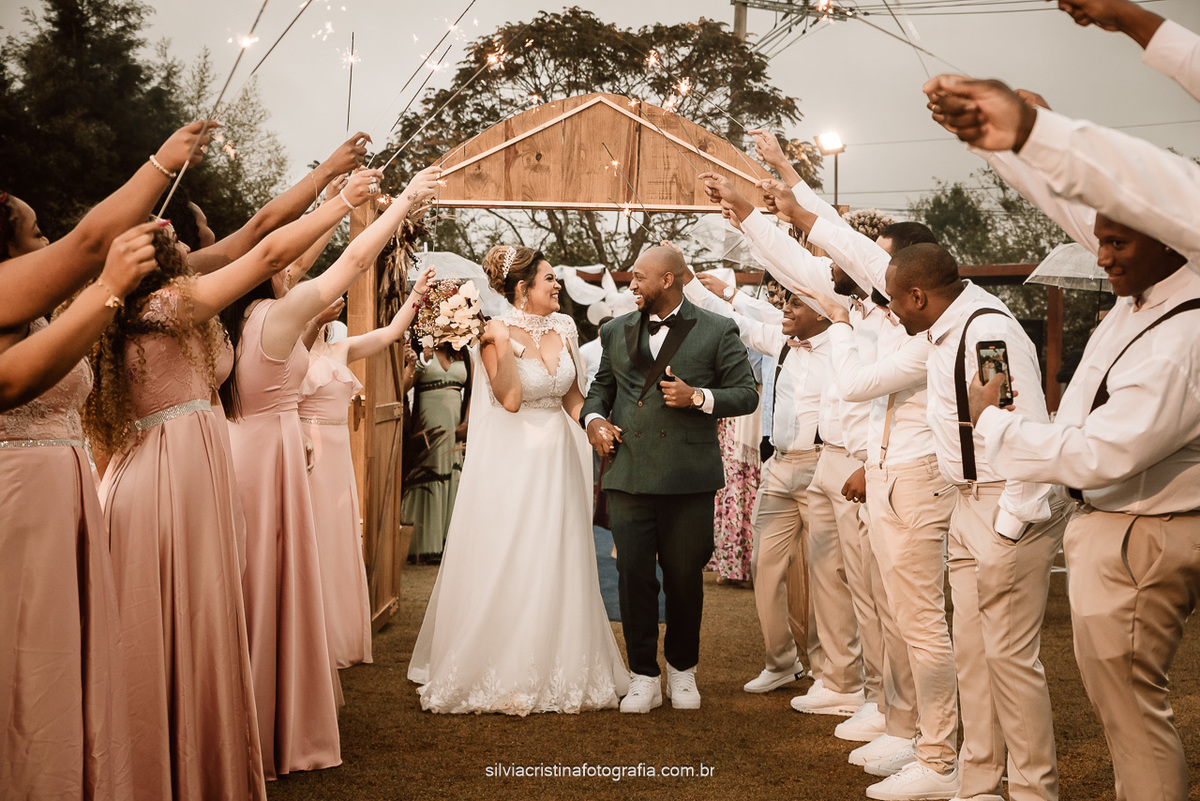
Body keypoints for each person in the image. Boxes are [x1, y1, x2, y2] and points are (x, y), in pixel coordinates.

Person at [86, 169, 380, 798]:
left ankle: (191, 757)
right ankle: (158, 764)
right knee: (172, 620)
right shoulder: (166, 306)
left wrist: (329, 183)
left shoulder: (157, 301)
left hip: (188, 471)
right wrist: (341, 203)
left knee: (196, 619)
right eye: (183, 241)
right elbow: (267, 251)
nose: (194, 245)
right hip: (167, 480)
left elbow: (260, 239)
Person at [968, 212, 1198, 801]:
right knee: (1123, 709)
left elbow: (1101, 453)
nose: (1101, 257)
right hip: (1118, 524)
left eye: (1117, 243)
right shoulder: (1142, 298)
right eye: (1098, 240)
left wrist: (992, 422)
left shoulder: (1182, 332)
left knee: (1134, 714)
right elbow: (1070, 196)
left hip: (1142, 529)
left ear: (1170, 241)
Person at [222, 165, 436, 775]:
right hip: (273, 454)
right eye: (287, 263)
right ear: (270, 270)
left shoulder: (232, 320)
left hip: (242, 449)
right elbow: (354, 260)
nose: (297, 269)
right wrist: (401, 202)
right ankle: (270, 719)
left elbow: (310, 257)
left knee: (248, 583)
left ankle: (242, 712)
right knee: (270, 584)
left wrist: (336, 196)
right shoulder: (275, 318)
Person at [408, 245, 629, 715]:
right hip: (515, 459)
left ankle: (562, 660)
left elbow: (572, 395)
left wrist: (593, 425)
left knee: (559, 550)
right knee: (516, 550)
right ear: (523, 289)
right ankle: (506, 665)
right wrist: (500, 341)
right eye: (549, 279)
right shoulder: (491, 333)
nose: (557, 285)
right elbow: (509, 399)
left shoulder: (565, 326)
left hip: (559, 457)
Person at [0, 222, 162, 799]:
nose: (48, 241)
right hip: (20, 497)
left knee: (63, 652)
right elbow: (90, 241)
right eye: (35, 232)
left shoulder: (41, 315)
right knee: (25, 650)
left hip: (66, 493)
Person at [582, 245, 759, 713]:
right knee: (633, 577)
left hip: (687, 477)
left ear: (669, 280)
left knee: (683, 579)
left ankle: (682, 670)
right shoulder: (614, 329)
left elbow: (745, 394)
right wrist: (594, 420)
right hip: (628, 470)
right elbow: (600, 389)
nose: (632, 284)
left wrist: (698, 396)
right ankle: (643, 674)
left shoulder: (718, 328)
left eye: (640, 277)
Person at [682, 267, 854, 706]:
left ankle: (831, 673)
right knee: (764, 565)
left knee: (826, 572)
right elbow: (732, 320)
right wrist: (688, 282)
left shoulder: (843, 348)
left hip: (822, 466)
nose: (785, 310)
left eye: (795, 303)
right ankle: (781, 662)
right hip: (777, 466)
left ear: (822, 311)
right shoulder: (780, 341)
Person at [300, 284, 434, 670]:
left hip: (338, 450)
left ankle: (335, 634)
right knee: (311, 535)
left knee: (336, 537)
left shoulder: (341, 348)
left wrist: (417, 294)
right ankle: (306, 637)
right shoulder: (292, 351)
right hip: (307, 449)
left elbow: (390, 333)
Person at [402, 342, 470, 560]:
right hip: (428, 425)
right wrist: (419, 362)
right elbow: (403, 387)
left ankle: (448, 545)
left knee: (452, 474)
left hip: (455, 426)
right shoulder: (418, 348)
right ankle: (421, 546)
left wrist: (467, 421)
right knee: (428, 474)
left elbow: (473, 389)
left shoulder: (463, 351)